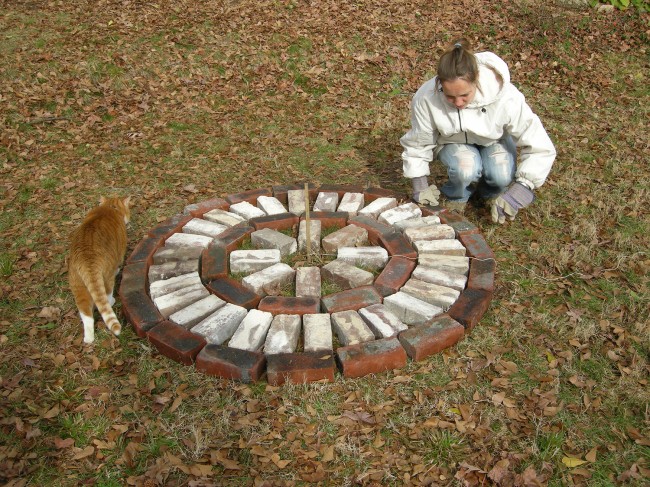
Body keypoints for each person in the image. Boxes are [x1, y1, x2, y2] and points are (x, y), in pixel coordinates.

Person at [400, 39, 556, 223]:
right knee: (465, 168)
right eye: (450, 97)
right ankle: (457, 198)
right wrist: (419, 184)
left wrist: (522, 190)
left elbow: (540, 145)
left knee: (501, 174)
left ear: (476, 80)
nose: (458, 103)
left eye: (465, 95)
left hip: (494, 140)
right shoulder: (426, 97)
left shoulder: (505, 95)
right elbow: (419, 141)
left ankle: (487, 195)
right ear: (440, 84)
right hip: (453, 142)